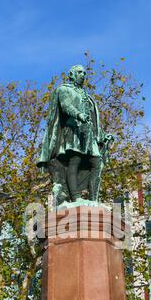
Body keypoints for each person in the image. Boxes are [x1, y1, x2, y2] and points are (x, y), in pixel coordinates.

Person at [38, 64, 113, 204]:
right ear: (71, 75)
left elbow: (93, 119)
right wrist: (79, 115)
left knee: (98, 162)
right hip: (73, 130)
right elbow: (66, 106)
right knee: (75, 160)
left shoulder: (88, 97)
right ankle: (75, 197)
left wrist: (103, 136)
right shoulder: (63, 89)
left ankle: (93, 200)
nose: (83, 75)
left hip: (89, 134)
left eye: (84, 73)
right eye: (79, 72)